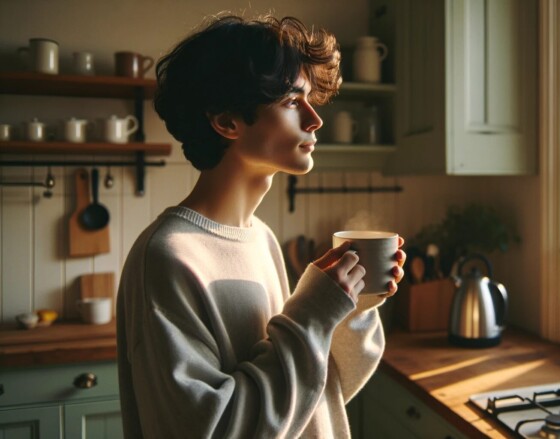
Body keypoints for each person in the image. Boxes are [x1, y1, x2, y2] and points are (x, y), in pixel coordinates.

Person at [116, 13, 405, 438]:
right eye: (291, 101)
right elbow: (211, 430)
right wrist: (311, 315)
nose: (315, 119)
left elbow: (315, 391)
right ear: (227, 122)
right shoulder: (166, 258)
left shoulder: (261, 239)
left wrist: (347, 309)